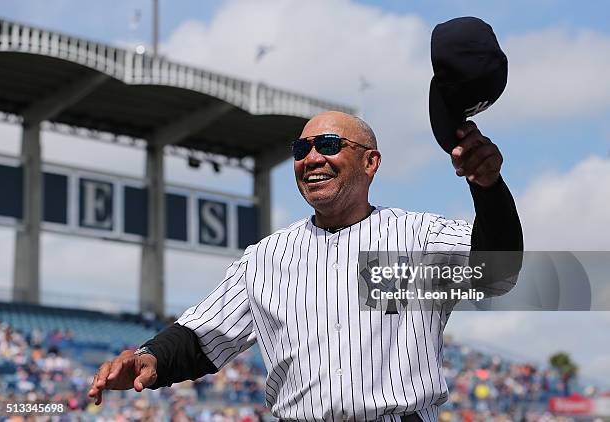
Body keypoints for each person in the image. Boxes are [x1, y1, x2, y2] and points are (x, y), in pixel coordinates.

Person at [88, 111, 523, 421]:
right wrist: (149, 358)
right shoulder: (265, 258)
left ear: (370, 162)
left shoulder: (420, 237)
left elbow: (497, 273)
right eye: (302, 148)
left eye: (330, 145)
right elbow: (202, 337)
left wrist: (488, 188)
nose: (312, 158)